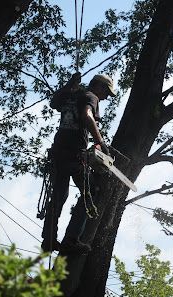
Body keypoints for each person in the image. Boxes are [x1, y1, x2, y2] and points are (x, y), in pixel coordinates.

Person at [41, 73, 115, 253]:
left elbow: (54, 103)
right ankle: (72, 240)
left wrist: (68, 85)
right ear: (99, 87)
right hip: (74, 155)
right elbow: (87, 116)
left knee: (59, 195)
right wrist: (100, 143)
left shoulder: (71, 95)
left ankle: (49, 239)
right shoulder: (91, 96)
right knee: (91, 193)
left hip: (58, 153)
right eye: (106, 92)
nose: (105, 97)